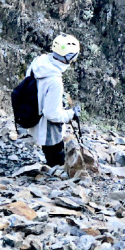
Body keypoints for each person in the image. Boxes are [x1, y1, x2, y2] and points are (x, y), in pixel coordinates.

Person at [25, 33, 82, 167]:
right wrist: (71, 114)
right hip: (46, 127)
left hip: (32, 113)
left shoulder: (39, 62)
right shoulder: (54, 81)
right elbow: (52, 114)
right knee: (56, 159)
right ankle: (55, 173)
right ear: (69, 58)